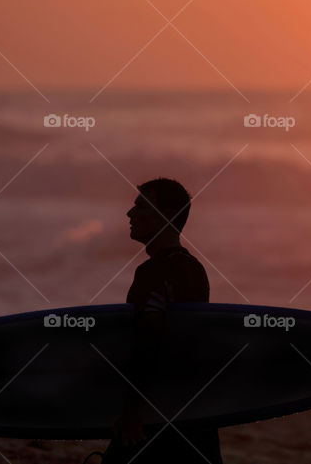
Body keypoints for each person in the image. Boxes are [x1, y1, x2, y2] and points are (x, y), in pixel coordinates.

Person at [102, 178, 223, 464]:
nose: (130, 214)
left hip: (157, 412)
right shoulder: (196, 269)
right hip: (195, 413)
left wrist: (133, 411)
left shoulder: (153, 273)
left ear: (167, 216)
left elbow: (148, 341)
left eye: (141, 206)